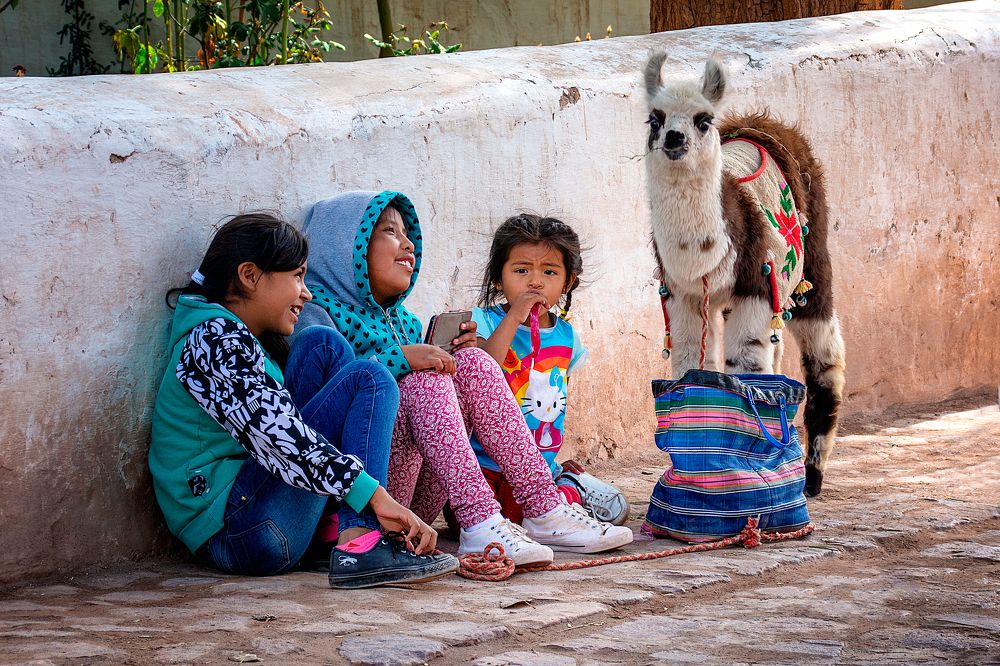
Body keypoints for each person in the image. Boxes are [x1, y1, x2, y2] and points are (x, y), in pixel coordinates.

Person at [292, 191, 633, 565]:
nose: (408, 244)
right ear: (346, 247)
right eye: (390, 232)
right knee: (425, 382)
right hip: (354, 503)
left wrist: (447, 360)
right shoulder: (314, 314)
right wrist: (402, 359)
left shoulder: (404, 321)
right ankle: (480, 521)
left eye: (408, 234)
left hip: (413, 503)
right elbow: (326, 404)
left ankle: (544, 508)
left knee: (470, 361)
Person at [149, 213, 457, 589]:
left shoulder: (234, 335)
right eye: (296, 276)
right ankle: (359, 540)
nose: (306, 292)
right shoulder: (213, 339)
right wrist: (375, 496)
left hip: (255, 515)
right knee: (371, 378)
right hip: (237, 532)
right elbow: (280, 439)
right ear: (249, 276)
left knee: (321, 344)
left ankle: (335, 530)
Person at [472, 213, 630, 526]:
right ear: (497, 279)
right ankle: (570, 487)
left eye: (549, 271)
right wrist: (514, 318)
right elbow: (481, 368)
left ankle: (571, 485)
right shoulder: (484, 320)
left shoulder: (566, 337)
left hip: (538, 461)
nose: (535, 281)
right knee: (485, 515)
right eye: (521, 270)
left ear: (568, 281)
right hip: (485, 463)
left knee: (533, 513)